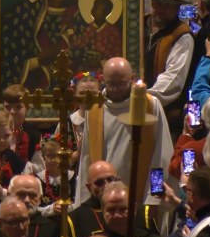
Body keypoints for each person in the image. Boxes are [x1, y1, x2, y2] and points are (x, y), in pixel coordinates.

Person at [74, 57, 176, 214]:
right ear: (102, 80)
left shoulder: (149, 105)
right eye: (111, 84)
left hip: (143, 195)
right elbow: (87, 158)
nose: (115, 89)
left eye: (121, 83)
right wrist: (83, 201)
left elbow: (161, 154)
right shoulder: (94, 107)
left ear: (132, 79)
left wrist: (154, 196)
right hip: (104, 195)